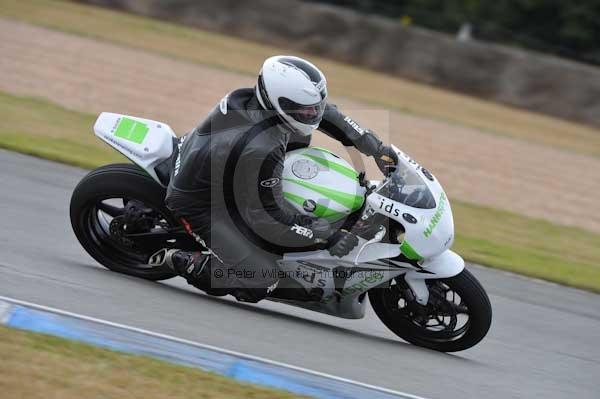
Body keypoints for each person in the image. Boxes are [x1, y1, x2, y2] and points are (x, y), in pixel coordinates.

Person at [153, 55, 397, 303]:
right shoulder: (261, 147)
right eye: (305, 108)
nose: (313, 113)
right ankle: (184, 261)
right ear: (279, 102)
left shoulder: (267, 104)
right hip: (201, 202)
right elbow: (268, 218)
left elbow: (329, 114)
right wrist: (326, 236)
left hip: (229, 172)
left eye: (315, 105)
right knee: (260, 278)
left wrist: (376, 148)